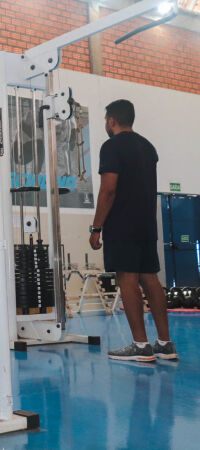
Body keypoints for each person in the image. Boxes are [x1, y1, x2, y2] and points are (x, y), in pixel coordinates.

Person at [90, 99, 177, 362]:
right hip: (146, 223)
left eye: (106, 120)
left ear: (112, 120)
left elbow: (109, 190)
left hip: (123, 225)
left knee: (127, 279)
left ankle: (141, 346)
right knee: (151, 279)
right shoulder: (147, 147)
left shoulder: (111, 146)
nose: (106, 124)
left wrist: (96, 227)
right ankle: (165, 344)